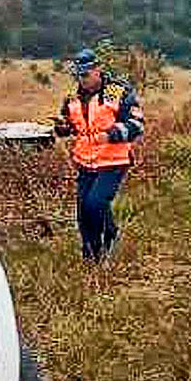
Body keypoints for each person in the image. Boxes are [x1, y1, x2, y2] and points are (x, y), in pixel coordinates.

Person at [53, 48, 145, 262]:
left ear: (98, 70)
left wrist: (112, 134)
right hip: (85, 162)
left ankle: (108, 238)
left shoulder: (118, 92)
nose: (82, 80)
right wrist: (63, 129)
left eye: (85, 75)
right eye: (78, 76)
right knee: (83, 212)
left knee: (95, 204)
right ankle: (91, 257)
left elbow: (137, 125)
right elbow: (74, 128)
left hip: (114, 161)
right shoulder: (72, 99)